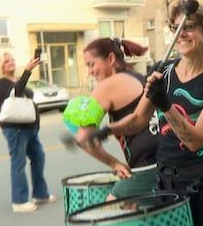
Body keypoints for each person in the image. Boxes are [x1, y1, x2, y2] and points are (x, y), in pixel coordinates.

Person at [92, 1, 203, 226]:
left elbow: (196, 140)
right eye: (176, 28)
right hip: (167, 184)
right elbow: (138, 120)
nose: (182, 34)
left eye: (189, 27)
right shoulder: (163, 73)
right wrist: (106, 130)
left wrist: (165, 104)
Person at [63, 38, 159, 200]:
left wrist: (114, 163)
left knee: (109, 211)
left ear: (111, 59)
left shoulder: (107, 86)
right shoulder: (137, 77)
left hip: (147, 167)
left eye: (91, 64)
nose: (90, 72)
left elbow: (83, 139)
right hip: (165, 160)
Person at [0, 52, 57, 213]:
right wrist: (27, 70)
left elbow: (22, 90)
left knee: (38, 156)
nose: (11, 62)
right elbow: (16, 92)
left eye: (12, 59)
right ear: (0, 66)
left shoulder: (15, 80)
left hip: (29, 127)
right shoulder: (0, 83)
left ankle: (40, 194)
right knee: (18, 162)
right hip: (14, 128)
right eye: (6, 61)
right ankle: (19, 201)